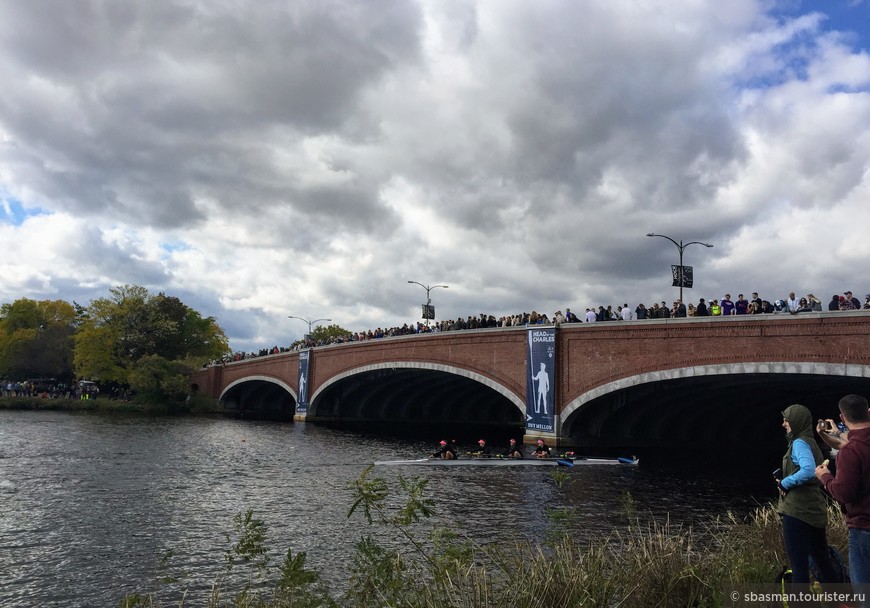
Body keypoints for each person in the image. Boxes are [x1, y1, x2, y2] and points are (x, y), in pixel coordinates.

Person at [776, 404, 840, 595]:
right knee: (823, 561)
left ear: (796, 421)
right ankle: (840, 601)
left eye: (786, 419)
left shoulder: (799, 443)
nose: (783, 424)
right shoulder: (811, 442)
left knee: (799, 568)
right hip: (814, 510)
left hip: (797, 512)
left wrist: (785, 483)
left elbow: (807, 470)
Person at [815, 395, 870, 606]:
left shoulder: (850, 452)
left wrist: (824, 477)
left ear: (842, 417)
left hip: (863, 530)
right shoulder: (853, 446)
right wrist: (833, 435)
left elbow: (843, 493)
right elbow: (853, 440)